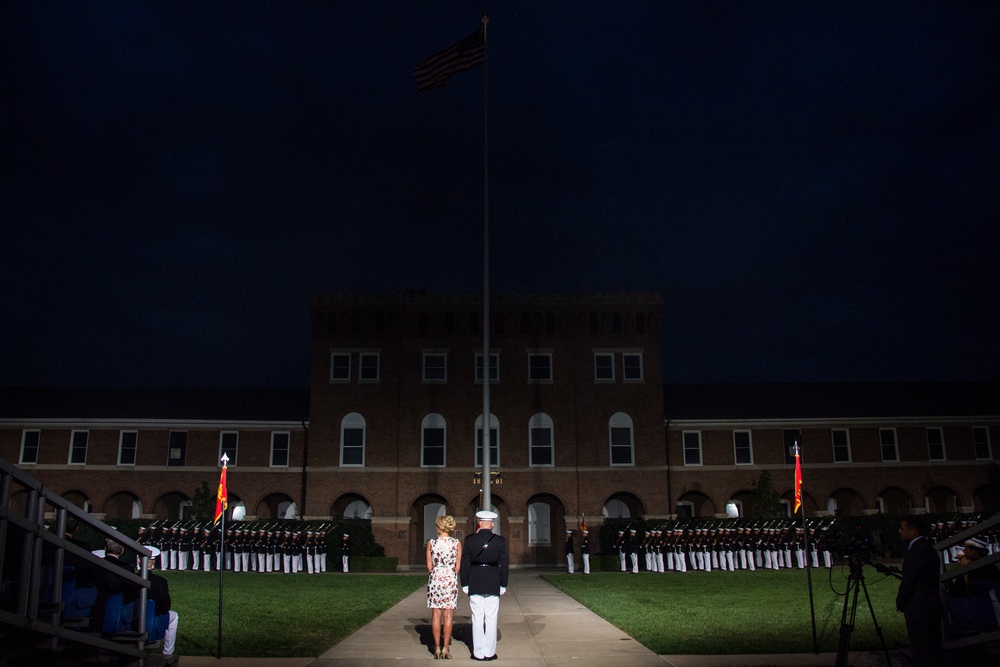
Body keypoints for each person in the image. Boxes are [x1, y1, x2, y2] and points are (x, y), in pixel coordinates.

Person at [895, 515, 944, 666]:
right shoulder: (927, 549)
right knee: (932, 651)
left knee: (923, 653)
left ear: (913, 532)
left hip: (920, 611)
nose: (899, 531)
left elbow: (909, 581)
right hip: (931, 608)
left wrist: (901, 601)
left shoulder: (916, 552)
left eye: (902, 528)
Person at [460, 510, 508, 661]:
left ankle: (478, 653)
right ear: (492, 524)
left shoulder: (469, 540)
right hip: (493, 580)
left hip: (475, 580)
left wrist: (465, 582)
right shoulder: (500, 541)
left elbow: (465, 563)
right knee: (492, 618)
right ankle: (490, 652)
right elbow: (504, 565)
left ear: (479, 523)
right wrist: (503, 583)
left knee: (477, 617)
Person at [426, 515, 462, 659]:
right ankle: (446, 648)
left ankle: (437, 647)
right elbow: (458, 566)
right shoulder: (456, 543)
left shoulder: (432, 543)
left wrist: (437, 572)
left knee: (436, 615)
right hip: (450, 580)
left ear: (439, 527)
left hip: (435, 580)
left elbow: (429, 566)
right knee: (448, 615)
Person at [146, 548, 180, 665]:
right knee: (174, 616)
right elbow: (165, 606)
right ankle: (167, 654)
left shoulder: (129, 577)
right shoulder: (160, 581)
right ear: (153, 561)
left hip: (131, 618)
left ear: (140, 561)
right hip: (152, 619)